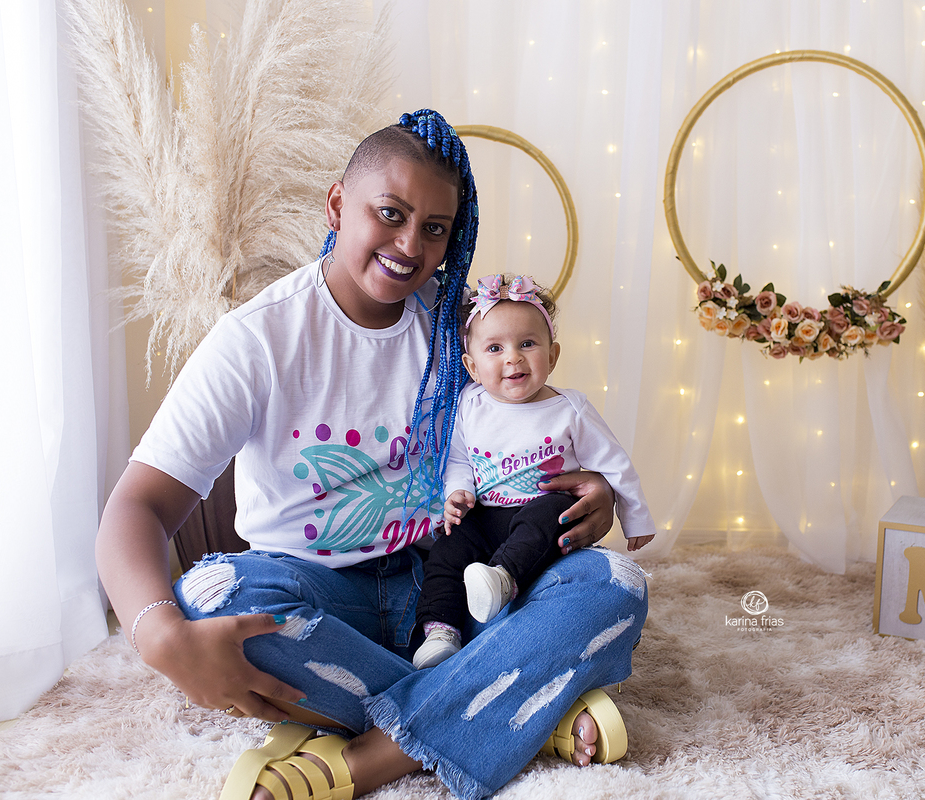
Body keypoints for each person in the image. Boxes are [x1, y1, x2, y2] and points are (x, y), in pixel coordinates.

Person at [94, 110, 648, 800]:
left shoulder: (461, 330)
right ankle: (517, 702)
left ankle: (363, 763)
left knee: (613, 584)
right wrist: (156, 637)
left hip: (443, 586)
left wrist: (589, 488)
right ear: (337, 204)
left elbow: (536, 424)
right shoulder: (258, 339)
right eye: (389, 213)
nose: (409, 243)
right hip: (316, 597)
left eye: (435, 228)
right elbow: (137, 506)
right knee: (209, 599)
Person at [412, 273, 656, 670]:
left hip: (539, 512)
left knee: (554, 510)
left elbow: (614, 464)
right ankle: (440, 631)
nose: (513, 357)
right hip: (484, 512)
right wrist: (457, 493)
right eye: (495, 348)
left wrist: (636, 517)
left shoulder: (569, 408)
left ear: (553, 355)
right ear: (472, 366)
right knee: (447, 551)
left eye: (527, 344)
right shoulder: (470, 404)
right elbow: (458, 459)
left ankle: (503, 579)